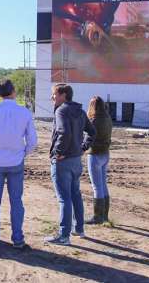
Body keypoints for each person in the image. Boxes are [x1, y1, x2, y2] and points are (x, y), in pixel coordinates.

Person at [0, 79, 37, 249]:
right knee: (16, 201)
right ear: (13, 92)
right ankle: (17, 239)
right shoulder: (24, 112)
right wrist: (23, 153)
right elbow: (32, 140)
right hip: (16, 161)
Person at [45, 83, 96, 245]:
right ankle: (79, 228)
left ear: (63, 94)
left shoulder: (61, 110)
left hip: (64, 161)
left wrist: (58, 153)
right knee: (75, 195)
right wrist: (83, 148)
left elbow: (63, 132)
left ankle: (64, 235)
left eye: (54, 94)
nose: (52, 97)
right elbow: (92, 132)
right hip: (76, 160)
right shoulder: (80, 112)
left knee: (64, 199)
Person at [85, 96, 113, 224]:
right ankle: (104, 216)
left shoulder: (93, 121)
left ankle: (97, 217)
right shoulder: (108, 119)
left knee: (97, 186)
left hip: (95, 154)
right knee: (103, 184)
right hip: (105, 154)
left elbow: (87, 138)